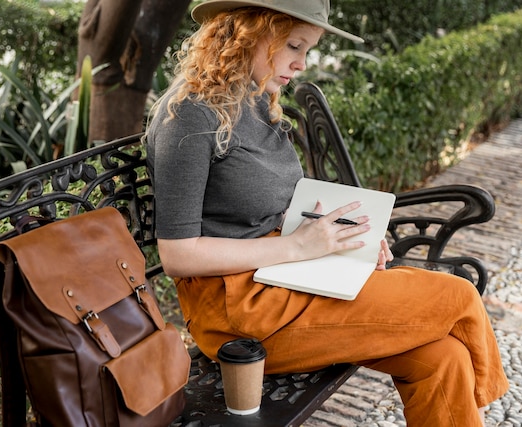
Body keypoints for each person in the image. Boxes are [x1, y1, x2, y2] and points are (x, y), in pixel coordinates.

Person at [145, 0, 509, 425]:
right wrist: (299, 247)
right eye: (294, 46)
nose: (301, 64)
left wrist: (340, 242)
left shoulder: (255, 97)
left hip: (282, 280)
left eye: (308, 50)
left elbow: (260, 213)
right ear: (248, 31)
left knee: (442, 357)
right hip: (238, 312)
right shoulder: (190, 115)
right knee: (458, 295)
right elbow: (176, 255)